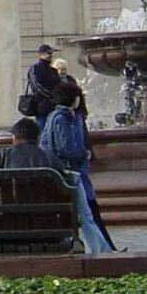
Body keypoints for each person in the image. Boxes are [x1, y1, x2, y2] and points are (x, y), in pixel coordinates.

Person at [0, 119, 112, 254]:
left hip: (7, 227)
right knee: (75, 180)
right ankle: (101, 246)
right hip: (50, 229)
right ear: (38, 138)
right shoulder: (51, 159)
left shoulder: (1, 157)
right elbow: (68, 190)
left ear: (14, 138)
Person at [40, 77, 118, 250]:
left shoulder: (64, 116)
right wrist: (84, 153)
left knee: (88, 213)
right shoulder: (62, 118)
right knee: (87, 214)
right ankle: (103, 250)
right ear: (72, 98)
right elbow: (64, 146)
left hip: (71, 171)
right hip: (71, 172)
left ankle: (104, 248)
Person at [22, 44, 61, 128]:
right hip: (42, 106)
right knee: (43, 129)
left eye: (51, 53)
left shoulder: (53, 70)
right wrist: (51, 96)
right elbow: (37, 86)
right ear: (41, 54)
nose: (50, 55)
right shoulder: (35, 68)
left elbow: (59, 86)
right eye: (48, 53)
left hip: (53, 106)